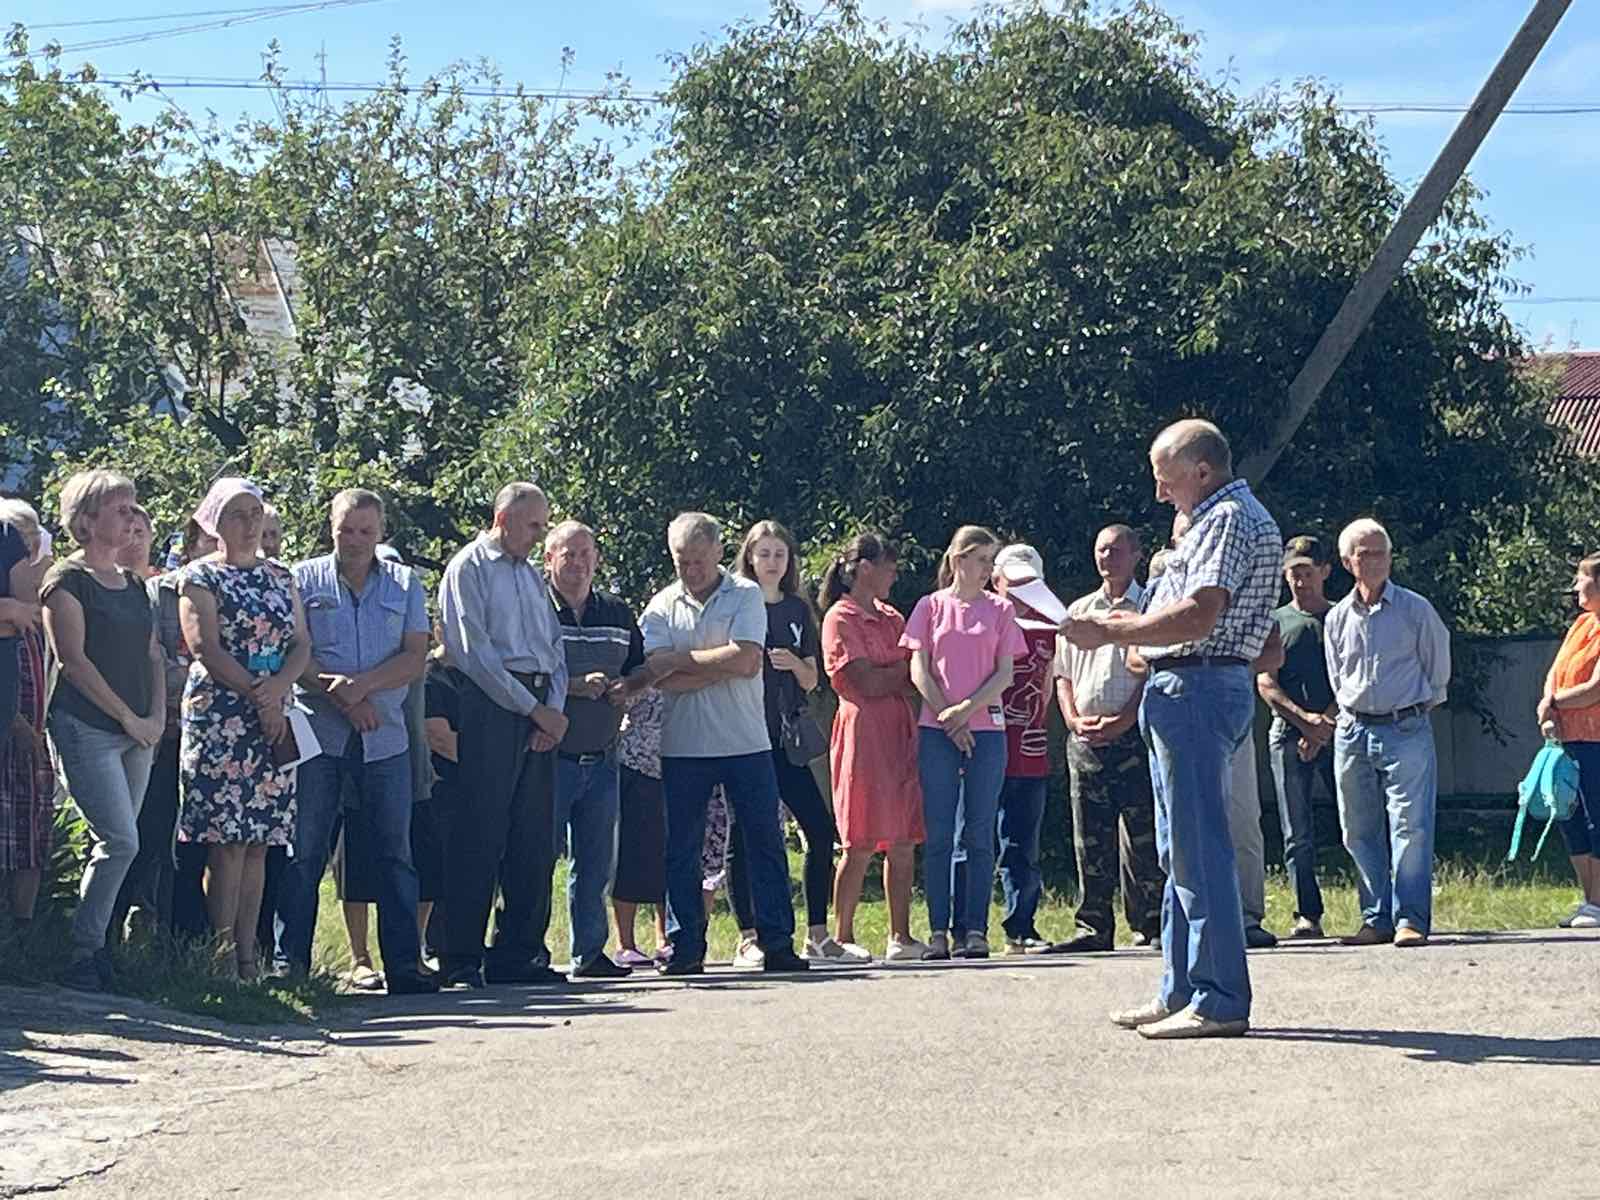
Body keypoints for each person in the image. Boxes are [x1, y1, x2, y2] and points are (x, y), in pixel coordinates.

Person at [1061, 420, 1282, 1039]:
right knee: (1175, 846)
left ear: (1202, 472)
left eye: (1166, 479)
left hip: (1200, 686)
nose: (1160, 494)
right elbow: (1168, 616)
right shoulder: (1204, 524)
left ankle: (1219, 998)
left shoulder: (1228, 519)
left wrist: (1109, 630)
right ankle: (1182, 986)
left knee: (1200, 846)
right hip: (1186, 684)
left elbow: (1198, 613)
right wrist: (1138, 638)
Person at [276, 489, 436, 994]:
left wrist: (363, 687)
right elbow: (294, 655)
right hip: (320, 736)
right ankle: (291, 969)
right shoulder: (303, 580)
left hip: (384, 738)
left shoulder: (406, 584)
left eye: (366, 531)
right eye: (346, 529)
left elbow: (415, 657)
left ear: (381, 533)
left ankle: (405, 967)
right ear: (331, 527)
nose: (355, 540)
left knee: (395, 854)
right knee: (305, 853)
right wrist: (343, 697)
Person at [640, 511, 807, 976]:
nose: (691, 570)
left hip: (746, 742)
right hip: (683, 746)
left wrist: (681, 662)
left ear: (718, 551)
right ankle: (684, 944)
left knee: (764, 844)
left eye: (698, 559)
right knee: (682, 849)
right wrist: (708, 664)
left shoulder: (747, 594)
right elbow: (659, 675)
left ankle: (777, 943)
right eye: (681, 561)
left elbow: (749, 660)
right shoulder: (660, 606)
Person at [435, 482, 569, 989]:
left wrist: (551, 710)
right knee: (479, 831)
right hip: (492, 705)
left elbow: (553, 648)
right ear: (504, 518)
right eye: (533, 525)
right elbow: (474, 654)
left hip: (536, 707)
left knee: (531, 837)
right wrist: (533, 709)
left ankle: (519, 951)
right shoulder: (468, 567)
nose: (539, 536)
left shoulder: (532, 578)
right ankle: (461, 955)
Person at [177, 477, 307, 980]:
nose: (250, 525)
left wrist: (277, 692)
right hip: (223, 718)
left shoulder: (281, 576)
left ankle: (251, 955)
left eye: (256, 514)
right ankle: (222, 956)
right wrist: (261, 694)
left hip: (273, 716)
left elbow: (300, 644)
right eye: (237, 515)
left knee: (260, 843)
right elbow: (205, 648)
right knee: (226, 842)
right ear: (214, 521)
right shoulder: (199, 578)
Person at [41, 470, 166, 991]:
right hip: (88, 726)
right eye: (120, 509)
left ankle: (97, 949)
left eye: (134, 508)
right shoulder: (65, 583)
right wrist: (127, 718)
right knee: (119, 840)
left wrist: (155, 718)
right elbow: (75, 663)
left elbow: (153, 653)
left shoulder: (134, 584)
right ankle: (82, 951)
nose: (132, 517)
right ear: (87, 520)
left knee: (121, 843)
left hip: (140, 731)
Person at [726, 520, 851, 964]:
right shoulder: (735, 603)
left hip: (787, 738)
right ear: (749, 558)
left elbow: (815, 677)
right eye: (764, 554)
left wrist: (794, 664)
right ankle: (748, 935)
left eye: (780, 554)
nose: (772, 562)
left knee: (819, 830)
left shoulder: (798, 610)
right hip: (744, 737)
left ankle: (817, 932)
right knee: (746, 835)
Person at [902, 525, 1024, 961]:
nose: (989, 570)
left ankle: (974, 929)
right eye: (983, 560)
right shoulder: (928, 607)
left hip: (987, 731)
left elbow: (1005, 674)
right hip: (937, 731)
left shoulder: (1001, 610)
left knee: (977, 831)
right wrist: (949, 718)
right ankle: (937, 930)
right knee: (938, 832)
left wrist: (965, 711)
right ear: (959, 560)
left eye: (992, 562)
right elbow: (919, 669)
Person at [1326, 518, 1450, 949]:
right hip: (1353, 728)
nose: (1377, 561)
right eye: (1367, 553)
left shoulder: (1416, 609)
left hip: (1406, 727)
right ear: (1347, 562)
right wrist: (1349, 715)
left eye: (1383, 552)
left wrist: (1414, 710)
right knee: (1356, 829)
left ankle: (1410, 918)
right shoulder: (1337, 617)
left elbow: (1438, 672)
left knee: (1410, 826)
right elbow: (1336, 675)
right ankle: (1375, 917)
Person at [540, 520, 649, 979]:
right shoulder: (535, 610)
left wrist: (629, 688)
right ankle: (527, 949)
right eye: (569, 554)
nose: (579, 563)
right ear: (549, 560)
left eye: (586, 554)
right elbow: (521, 675)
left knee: (594, 862)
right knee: (536, 860)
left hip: (603, 756)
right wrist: (572, 687)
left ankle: (590, 952)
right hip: (548, 757)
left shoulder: (617, 612)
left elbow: (641, 668)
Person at [1051, 524, 1162, 954]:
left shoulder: (1147, 609)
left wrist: (1125, 719)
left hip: (1131, 734)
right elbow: (1062, 674)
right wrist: (1074, 720)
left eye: (1116, 550)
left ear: (1136, 555)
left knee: (1142, 832)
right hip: (1085, 738)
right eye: (1101, 550)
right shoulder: (1079, 612)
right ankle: (1092, 925)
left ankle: (1150, 921)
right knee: (1088, 835)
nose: (1106, 558)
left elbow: (1151, 671)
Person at [820, 533, 927, 962]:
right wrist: (899, 670)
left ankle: (899, 936)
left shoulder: (891, 617)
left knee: (903, 838)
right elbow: (864, 680)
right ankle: (841, 936)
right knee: (859, 838)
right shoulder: (839, 618)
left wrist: (897, 672)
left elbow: (910, 673)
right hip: (862, 732)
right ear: (865, 568)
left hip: (899, 729)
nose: (894, 575)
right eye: (889, 566)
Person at [1257, 535, 1338, 939]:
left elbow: (1355, 678)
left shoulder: (1341, 618)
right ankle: (1308, 914)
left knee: (1356, 824)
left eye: (1307, 573)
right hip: (1288, 734)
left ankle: (1377, 909)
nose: (1300, 581)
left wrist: (1323, 724)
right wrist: (1304, 721)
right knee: (1297, 832)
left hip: (1339, 732)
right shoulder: (1274, 622)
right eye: (1293, 574)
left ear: (1324, 572)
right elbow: (1266, 683)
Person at [989, 544, 1061, 955]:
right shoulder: (981, 621)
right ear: (997, 582)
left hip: (1030, 749)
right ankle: (967, 928)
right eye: (1013, 584)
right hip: (983, 746)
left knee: (1022, 846)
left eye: (1029, 584)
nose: (1019, 592)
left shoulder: (1052, 628)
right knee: (974, 840)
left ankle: (1021, 926)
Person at [0, 501, 54, 940]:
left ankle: (24, 933)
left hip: (34, 734)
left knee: (30, 831)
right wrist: (15, 720)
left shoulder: (35, 609)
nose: (30, 552)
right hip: (12, 727)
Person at [1538, 554, 1600, 929]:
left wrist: (1555, 702)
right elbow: (1555, 672)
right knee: (1569, 816)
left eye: (1582, 579)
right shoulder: (1580, 624)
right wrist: (1548, 703)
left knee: (1598, 818)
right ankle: (1588, 898)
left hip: (1597, 741)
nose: (1576, 586)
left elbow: (1595, 689)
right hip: (1568, 739)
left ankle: (1599, 901)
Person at [611, 687, 670, 965]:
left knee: (670, 853)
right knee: (632, 852)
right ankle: (625, 943)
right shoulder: (638, 664)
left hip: (677, 764)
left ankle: (666, 938)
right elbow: (619, 701)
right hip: (636, 764)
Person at [117, 504, 160, 581]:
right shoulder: (94, 589)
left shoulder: (165, 588)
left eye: (138, 532)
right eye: (125, 533)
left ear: (151, 535)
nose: (133, 540)